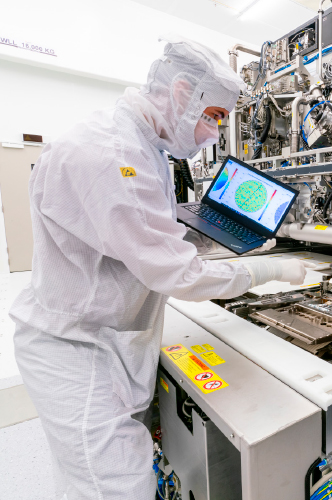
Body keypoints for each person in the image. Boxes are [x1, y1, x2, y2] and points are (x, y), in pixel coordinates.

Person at [9, 35, 311, 500]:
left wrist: (202, 235)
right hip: (78, 352)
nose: (214, 133)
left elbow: (144, 239)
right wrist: (273, 271)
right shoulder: (114, 155)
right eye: (214, 117)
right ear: (181, 94)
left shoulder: (141, 147)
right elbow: (181, 275)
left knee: (82, 478)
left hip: (103, 340)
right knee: (119, 489)